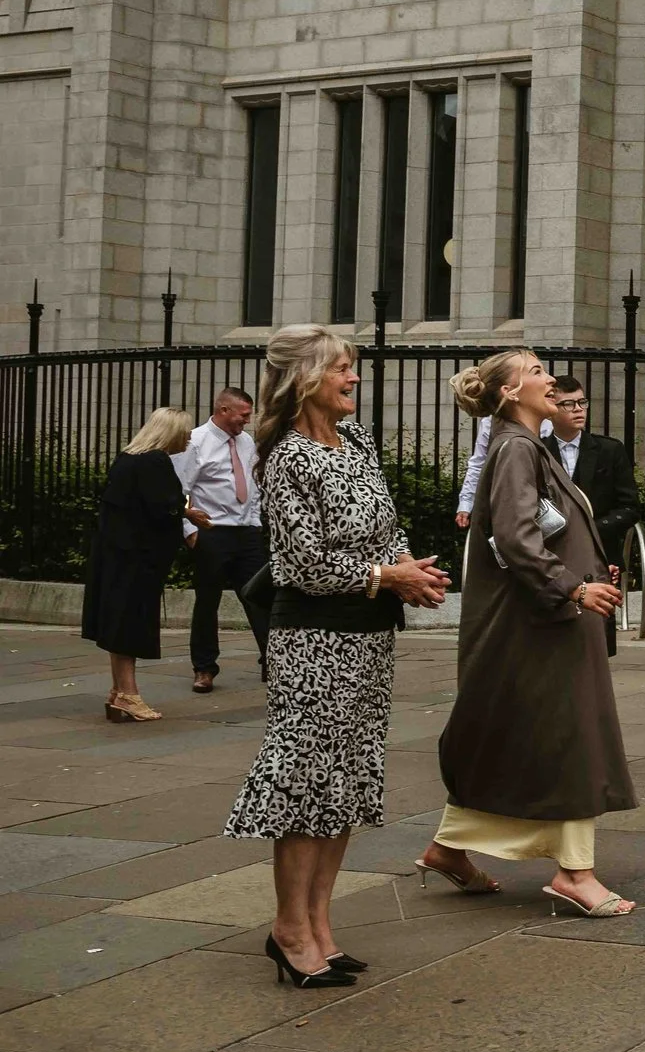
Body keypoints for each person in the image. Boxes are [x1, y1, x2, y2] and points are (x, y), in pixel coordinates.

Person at [225, 324, 450, 989]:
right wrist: (388, 576)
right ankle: (289, 929)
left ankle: (319, 925)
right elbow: (301, 562)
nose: (353, 379)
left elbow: (387, 520)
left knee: (346, 778)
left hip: (368, 637)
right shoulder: (288, 455)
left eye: (353, 368)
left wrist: (409, 563)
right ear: (304, 380)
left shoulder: (354, 438)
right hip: (313, 641)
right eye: (341, 369)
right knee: (305, 780)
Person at [420, 350, 638, 917]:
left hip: (548, 618)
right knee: (571, 741)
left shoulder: (523, 445)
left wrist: (587, 568)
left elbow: (544, 529)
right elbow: (518, 537)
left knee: (525, 738)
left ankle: (448, 848)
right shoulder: (517, 447)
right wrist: (572, 587)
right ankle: (575, 872)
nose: (550, 378)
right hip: (544, 621)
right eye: (537, 371)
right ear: (513, 391)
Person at [82, 407, 203, 723]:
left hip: (116, 555)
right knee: (130, 624)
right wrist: (188, 514)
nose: (190, 437)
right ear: (172, 432)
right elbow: (162, 508)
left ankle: (119, 691)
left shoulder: (128, 458)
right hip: (136, 560)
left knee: (118, 622)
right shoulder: (155, 462)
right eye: (186, 431)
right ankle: (129, 695)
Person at [173, 389, 269, 692]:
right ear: (224, 409)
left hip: (246, 532)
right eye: (243, 414)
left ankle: (274, 659)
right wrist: (190, 532)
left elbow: (253, 485)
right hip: (212, 532)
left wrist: (254, 521)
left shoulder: (246, 442)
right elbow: (177, 491)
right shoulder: (195, 441)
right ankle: (204, 667)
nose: (247, 420)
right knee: (207, 601)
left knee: (261, 596)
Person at [544, 375, 641, 652]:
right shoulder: (539, 451)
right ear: (551, 409)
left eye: (582, 402)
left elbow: (630, 506)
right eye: (568, 404)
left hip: (600, 555)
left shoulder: (609, 449)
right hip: (555, 556)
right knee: (555, 641)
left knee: (596, 641)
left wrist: (591, 530)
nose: (578, 409)